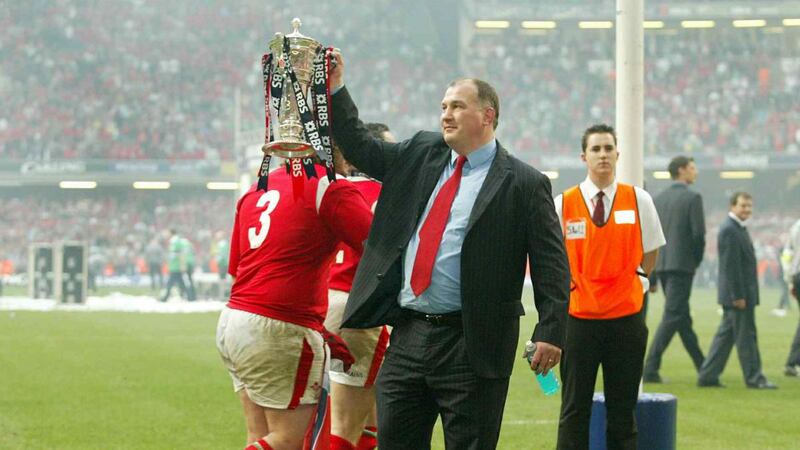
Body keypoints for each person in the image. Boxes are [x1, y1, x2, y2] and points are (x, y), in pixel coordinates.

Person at [328, 51, 570, 450]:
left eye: (458, 106)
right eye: (443, 106)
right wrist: (336, 86)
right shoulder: (421, 152)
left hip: (473, 343)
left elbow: (552, 266)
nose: (446, 114)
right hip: (408, 335)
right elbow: (361, 147)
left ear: (487, 116)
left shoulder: (524, 183)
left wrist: (550, 331)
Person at [216, 155, 373, 450]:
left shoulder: (256, 187)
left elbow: (238, 268)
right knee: (289, 440)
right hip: (280, 327)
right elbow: (378, 248)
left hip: (233, 319)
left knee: (259, 435)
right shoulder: (330, 187)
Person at [555, 124, 665, 450]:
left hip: (626, 320)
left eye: (608, 148)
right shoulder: (564, 203)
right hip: (578, 320)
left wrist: (638, 280)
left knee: (622, 411)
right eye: (596, 149)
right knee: (573, 409)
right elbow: (553, 256)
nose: (603, 155)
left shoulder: (638, 199)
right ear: (584, 156)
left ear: (618, 153)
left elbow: (651, 250)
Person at [324, 124, 394, 450]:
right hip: (360, 307)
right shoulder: (391, 195)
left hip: (321, 305)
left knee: (370, 416)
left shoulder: (330, 189)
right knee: (345, 426)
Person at [697, 192, 777, 389]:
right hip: (738, 295)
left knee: (726, 337)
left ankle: (708, 376)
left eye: (749, 206)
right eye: (743, 206)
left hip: (739, 293)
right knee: (746, 337)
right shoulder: (730, 229)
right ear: (732, 206)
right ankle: (754, 378)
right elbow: (730, 267)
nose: (747, 209)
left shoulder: (736, 228)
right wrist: (738, 296)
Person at [643, 156, 706, 383]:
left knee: (681, 316)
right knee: (673, 316)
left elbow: (651, 235)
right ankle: (650, 367)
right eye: (692, 167)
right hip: (682, 265)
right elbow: (698, 235)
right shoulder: (693, 197)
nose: (695, 171)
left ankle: (704, 366)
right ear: (681, 171)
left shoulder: (658, 199)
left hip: (662, 264)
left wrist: (653, 274)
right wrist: (696, 260)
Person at [781, 218, 800, 377]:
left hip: (796, 274)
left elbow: (787, 254)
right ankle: (792, 361)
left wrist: (790, 280)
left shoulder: (796, 226)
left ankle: (793, 361)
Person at [160, 229, 187, 302]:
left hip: (176, 266)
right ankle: (186, 295)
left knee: (170, 282)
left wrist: (182, 265)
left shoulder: (175, 241)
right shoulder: (175, 241)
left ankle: (165, 298)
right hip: (175, 266)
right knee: (181, 283)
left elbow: (178, 254)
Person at [182, 236, 197, 301]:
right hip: (191, 264)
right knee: (190, 280)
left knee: (187, 281)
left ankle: (190, 297)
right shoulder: (190, 245)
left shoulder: (184, 246)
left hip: (187, 264)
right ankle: (193, 296)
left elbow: (184, 255)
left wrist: (183, 265)